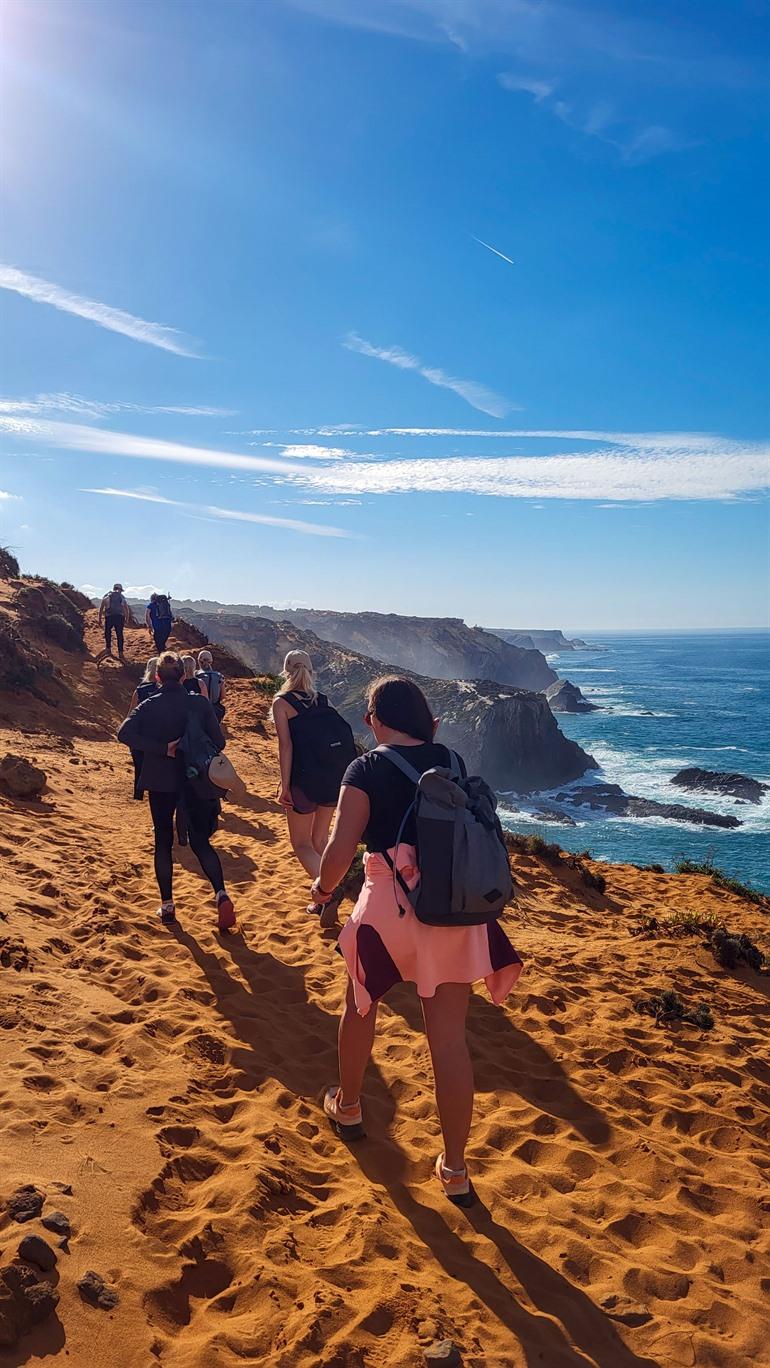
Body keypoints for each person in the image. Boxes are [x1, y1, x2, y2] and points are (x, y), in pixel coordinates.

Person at [310, 676, 523, 1205]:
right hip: (448, 909)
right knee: (448, 1040)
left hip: (386, 908)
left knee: (360, 1007)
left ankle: (350, 1106)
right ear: (426, 717)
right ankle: (454, 1170)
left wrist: (323, 889)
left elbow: (339, 850)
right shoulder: (450, 758)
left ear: (373, 721)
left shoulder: (364, 767)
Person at [117, 651, 236, 932]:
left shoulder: (150, 704)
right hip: (196, 780)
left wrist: (162, 749)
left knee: (163, 841)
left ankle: (168, 906)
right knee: (200, 842)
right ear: (184, 674)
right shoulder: (199, 703)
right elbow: (219, 741)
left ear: (157, 677)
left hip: (160, 780)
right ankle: (221, 894)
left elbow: (124, 733)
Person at [271, 650, 355, 919]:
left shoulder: (281, 703)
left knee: (301, 843)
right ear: (310, 671)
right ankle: (324, 900)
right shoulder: (323, 701)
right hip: (332, 779)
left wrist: (284, 785)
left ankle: (328, 890)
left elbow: (286, 747)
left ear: (286, 671)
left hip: (303, 781)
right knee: (320, 840)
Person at [128, 656, 159, 800]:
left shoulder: (140, 690)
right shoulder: (162, 690)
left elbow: (131, 713)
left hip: (140, 733)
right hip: (157, 733)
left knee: (139, 765)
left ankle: (138, 793)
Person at [99, 582, 130, 660]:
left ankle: (108, 648)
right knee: (119, 634)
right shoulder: (122, 597)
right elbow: (126, 609)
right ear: (120, 590)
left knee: (108, 632)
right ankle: (120, 652)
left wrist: (99, 618)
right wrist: (127, 618)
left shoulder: (107, 596)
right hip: (119, 617)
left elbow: (101, 607)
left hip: (109, 617)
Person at [196, 650, 225, 720]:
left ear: (199, 661)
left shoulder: (196, 676)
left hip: (200, 710)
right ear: (211, 662)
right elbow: (222, 697)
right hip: (216, 710)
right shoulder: (219, 676)